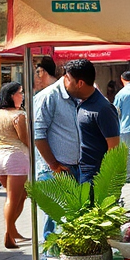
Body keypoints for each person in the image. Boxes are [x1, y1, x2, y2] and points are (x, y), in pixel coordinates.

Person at [33, 57, 81, 239]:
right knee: (55, 221)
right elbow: (38, 134)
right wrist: (53, 165)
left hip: (74, 167)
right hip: (54, 170)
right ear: (69, 79)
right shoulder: (48, 97)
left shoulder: (77, 96)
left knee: (71, 220)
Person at [62, 59, 120, 184]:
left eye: (68, 79)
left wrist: (106, 180)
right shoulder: (81, 102)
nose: (65, 83)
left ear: (80, 83)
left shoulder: (103, 108)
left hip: (96, 176)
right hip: (81, 172)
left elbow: (114, 147)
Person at [0, 82, 31, 249]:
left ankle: (13, 230)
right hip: (16, 157)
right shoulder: (19, 115)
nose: (22, 96)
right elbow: (24, 138)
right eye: (20, 93)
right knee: (13, 199)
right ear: (11, 95)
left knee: (21, 195)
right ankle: (8, 233)